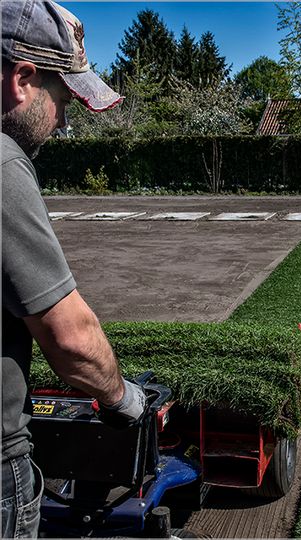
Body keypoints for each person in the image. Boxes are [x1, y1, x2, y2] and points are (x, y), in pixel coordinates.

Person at [1, 1, 147, 537]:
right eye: (62, 100)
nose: (63, 122)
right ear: (22, 80)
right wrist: (123, 399)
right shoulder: (3, 164)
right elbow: (70, 337)